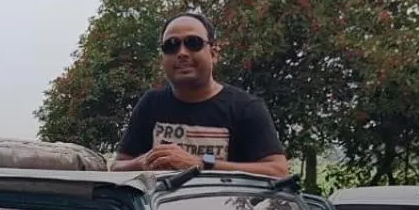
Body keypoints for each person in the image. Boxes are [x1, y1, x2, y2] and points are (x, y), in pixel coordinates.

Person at [112, 12, 290, 178]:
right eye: (171, 46)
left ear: (213, 54)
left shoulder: (245, 108)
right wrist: (142, 162)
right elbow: (117, 167)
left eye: (193, 43)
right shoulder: (150, 104)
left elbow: (278, 171)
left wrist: (202, 163)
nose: (182, 53)